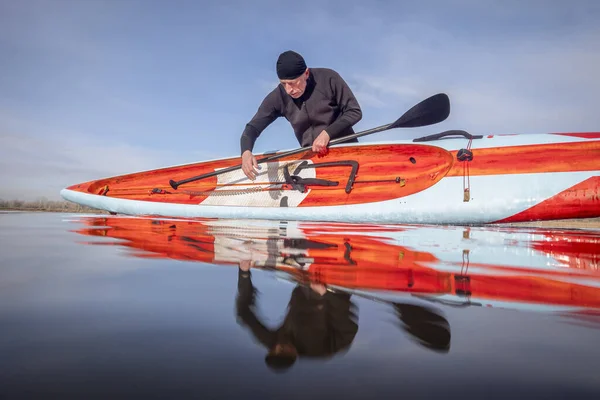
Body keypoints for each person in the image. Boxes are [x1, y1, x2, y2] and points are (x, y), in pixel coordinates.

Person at [240, 50, 363, 180]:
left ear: (306, 73)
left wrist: (327, 133)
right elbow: (252, 127)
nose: (289, 90)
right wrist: (246, 152)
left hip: (348, 152)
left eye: (293, 83)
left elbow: (354, 111)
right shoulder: (278, 97)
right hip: (314, 163)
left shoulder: (328, 78)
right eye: (283, 83)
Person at [235, 260, 359, 372]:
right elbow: (346, 327)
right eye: (284, 350)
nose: (280, 346)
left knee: (300, 274)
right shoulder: (316, 348)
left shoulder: (273, 342)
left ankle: (304, 263)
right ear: (294, 355)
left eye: (275, 349)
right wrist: (327, 294)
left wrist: (244, 273)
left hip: (304, 292)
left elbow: (243, 312)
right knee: (315, 312)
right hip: (334, 299)